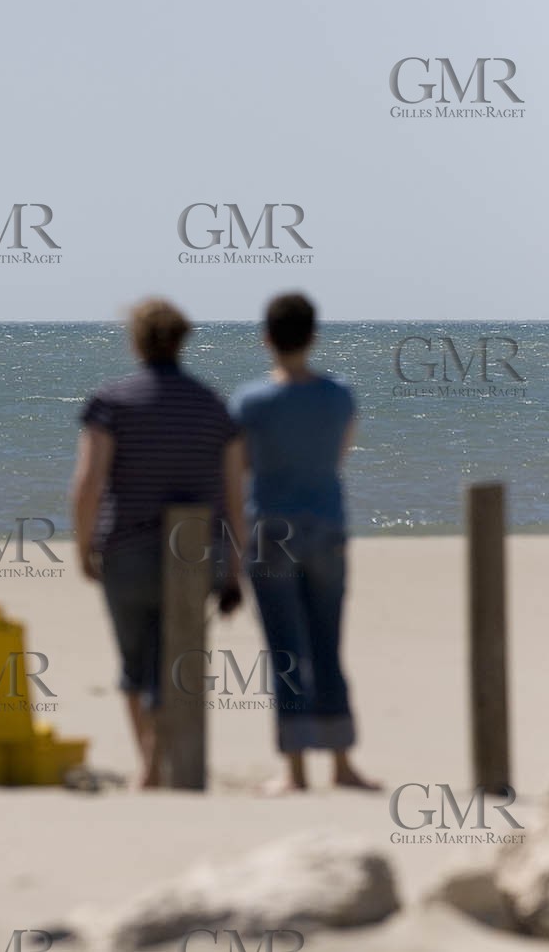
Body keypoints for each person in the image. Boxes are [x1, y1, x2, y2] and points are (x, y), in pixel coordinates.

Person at [70, 298, 245, 788]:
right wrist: (234, 571)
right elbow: (235, 498)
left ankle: (148, 764)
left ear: (136, 341)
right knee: (177, 661)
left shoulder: (112, 403)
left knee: (133, 663)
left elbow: (87, 485)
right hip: (197, 555)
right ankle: (158, 760)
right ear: (182, 341)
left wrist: (84, 549)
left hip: (126, 550)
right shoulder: (214, 407)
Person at [230, 292, 377, 793]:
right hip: (326, 526)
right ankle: (341, 763)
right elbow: (337, 456)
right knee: (328, 644)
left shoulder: (251, 402)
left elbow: (241, 466)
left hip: (271, 527)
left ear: (266, 337)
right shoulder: (339, 396)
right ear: (313, 336)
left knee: (286, 650)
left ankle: (294, 770)